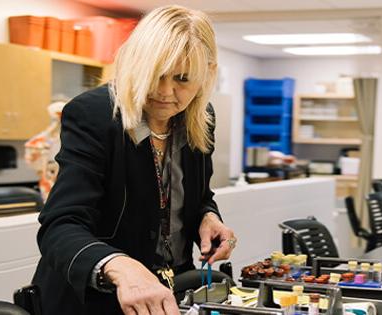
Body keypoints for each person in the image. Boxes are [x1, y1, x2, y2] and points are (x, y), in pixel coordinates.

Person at [32, 5, 236, 315]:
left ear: (207, 73)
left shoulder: (199, 118)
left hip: (170, 294)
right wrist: (118, 265)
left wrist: (207, 217)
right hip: (92, 302)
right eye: (155, 74)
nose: (166, 92)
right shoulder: (95, 114)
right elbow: (60, 225)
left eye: (182, 79)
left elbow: (197, 196)